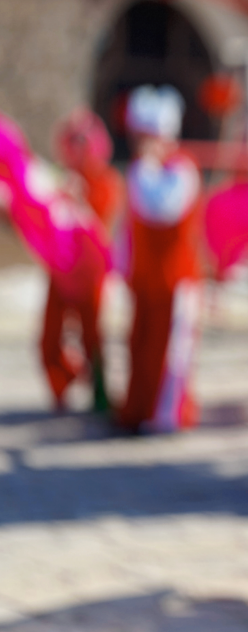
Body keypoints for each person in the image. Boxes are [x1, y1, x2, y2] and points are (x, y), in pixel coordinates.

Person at [118, 85, 204, 433]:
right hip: (146, 277)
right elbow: (130, 225)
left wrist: (148, 168)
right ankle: (138, 408)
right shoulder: (142, 170)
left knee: (171, 351)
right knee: (140, 345)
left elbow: (162, 209)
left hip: (176, 278)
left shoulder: (181, 169)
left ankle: (166, 415)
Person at [40, 109, 124, 413]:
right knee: (48, 336)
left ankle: (100, 390)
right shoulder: (58, 177)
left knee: (92, 334)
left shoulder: (107, 180)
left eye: (81, 141)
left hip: (89, 271)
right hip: (61, 268)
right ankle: (63, 382)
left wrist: (81, 201)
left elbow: (101, 228)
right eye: (71, 141)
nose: (76, 148)